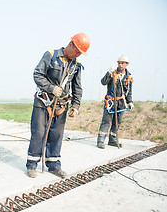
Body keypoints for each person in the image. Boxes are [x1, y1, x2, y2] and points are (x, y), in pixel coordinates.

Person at [26, 33, 90, 179]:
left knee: (56, 135)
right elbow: (37, 74)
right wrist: (51, 88)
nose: (78, 54)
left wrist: (76, 106)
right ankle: (32, 164)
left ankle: (54, 165)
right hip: (43, 102)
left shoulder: (76, 65)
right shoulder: (51, 55)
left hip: (61, 106)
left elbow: (77, 87)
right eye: (77, 51)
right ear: (71, 45)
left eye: (80, 53)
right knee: (39, 133)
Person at [97, 55, 133, 149]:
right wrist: (109, 73)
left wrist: (130, 102)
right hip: (110, 101)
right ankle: (101, 140)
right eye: (119, 63)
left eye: (122, 63)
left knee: (117, 123)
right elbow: (103, 82)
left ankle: (112, 140)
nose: (120, 65)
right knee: (106, 121)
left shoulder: (128, 76)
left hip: (121, 102)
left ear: (126, 64)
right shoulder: (112, 73)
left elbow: (129, 91)